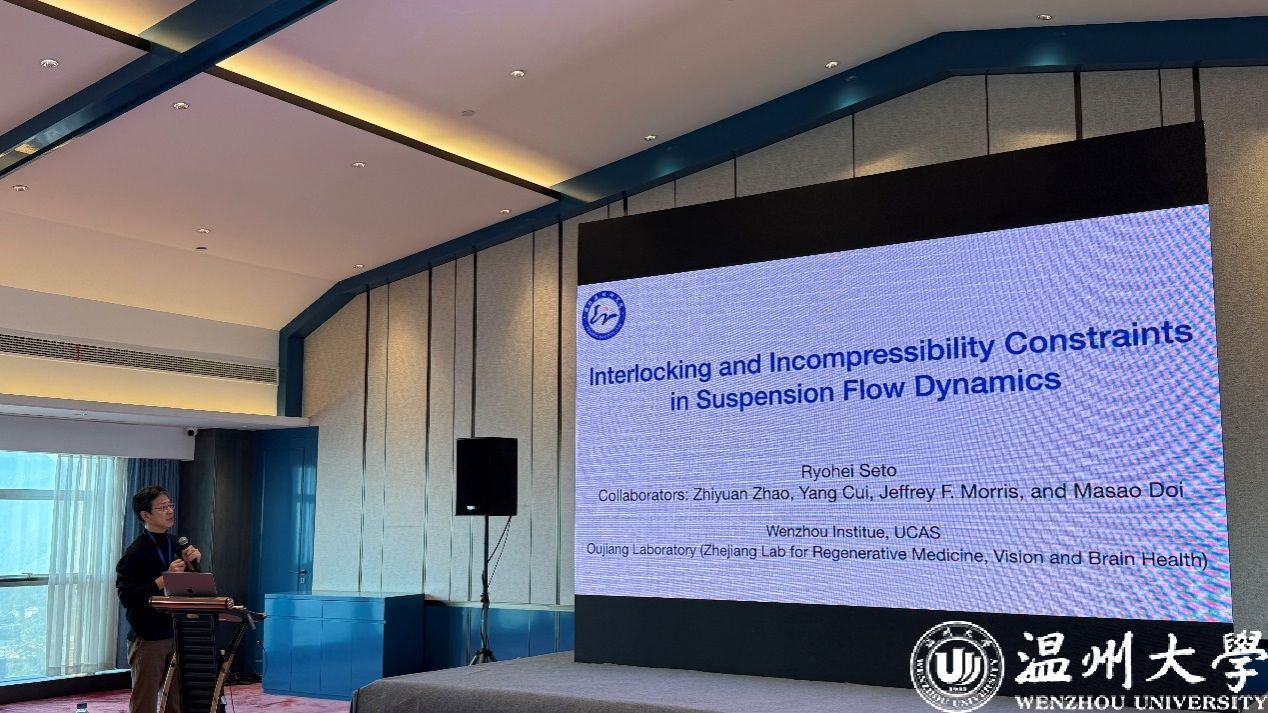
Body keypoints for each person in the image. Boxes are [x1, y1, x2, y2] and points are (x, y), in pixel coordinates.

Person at [115, 486, 201, 713]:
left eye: (170, 505)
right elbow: (127, 597)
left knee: (176, 701)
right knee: (145, 703)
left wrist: (193, 566)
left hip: (176, 631)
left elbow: (192, 589)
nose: (170, 511)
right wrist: (162, 580)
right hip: (148, 636)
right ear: (145, 515)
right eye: (163, 508)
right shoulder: (135, 552)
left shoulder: (176, 543)